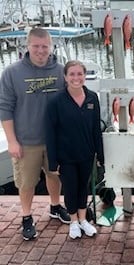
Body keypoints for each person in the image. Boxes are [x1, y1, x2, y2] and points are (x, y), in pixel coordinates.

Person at [0, 27, 70, 241]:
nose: (41, 50)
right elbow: (5, 108)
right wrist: (12, 141)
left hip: (54, 139)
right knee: (26, 182)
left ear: (51, 47)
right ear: (27, 46)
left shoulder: (61, 71)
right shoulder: (11, 73)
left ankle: (55, 206)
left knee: (54, 176)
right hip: (26, 140)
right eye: (36, 46)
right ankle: (26, 216)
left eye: (44, 46)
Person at [45, 60, 104, 239]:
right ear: (65, 77)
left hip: (86, 154)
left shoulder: (93, 97)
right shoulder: (55, 101)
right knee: (70, 188)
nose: (76, 78)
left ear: (85, 76)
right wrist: (53, 162)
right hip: (66, 156)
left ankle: (83, 219)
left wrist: (101, 155)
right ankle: (73, 222)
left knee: (82, 188)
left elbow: (96, 129)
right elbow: (50, 133)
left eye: (80, 74)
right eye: (72, 74)